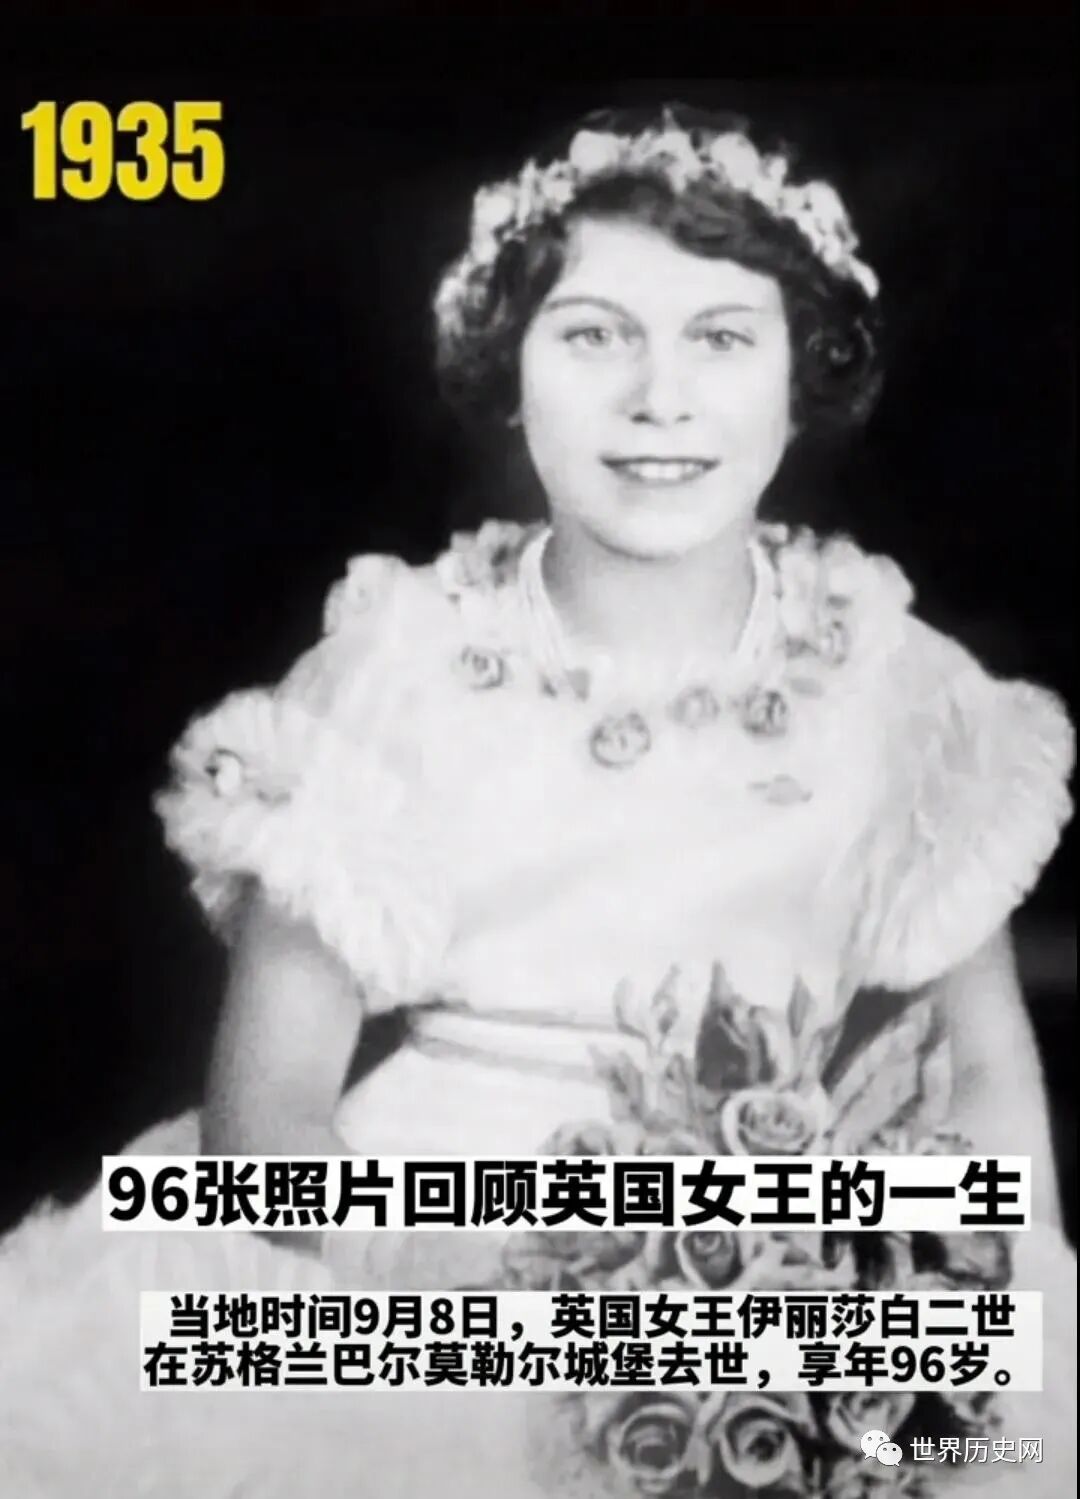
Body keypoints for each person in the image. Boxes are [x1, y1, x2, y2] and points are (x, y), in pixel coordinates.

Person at [0, 102, 1073, 1499]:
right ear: (510, 372)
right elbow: (263, 1135)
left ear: (800, 378)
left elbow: (987, 1081)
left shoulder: (894, 677)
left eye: (722, 339)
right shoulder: (396, 666)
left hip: (775, 1257)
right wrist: (559, 1302)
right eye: (593, 336)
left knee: (962, 1449)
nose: (660, 399)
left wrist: (955, 1301)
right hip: (402, 1267)